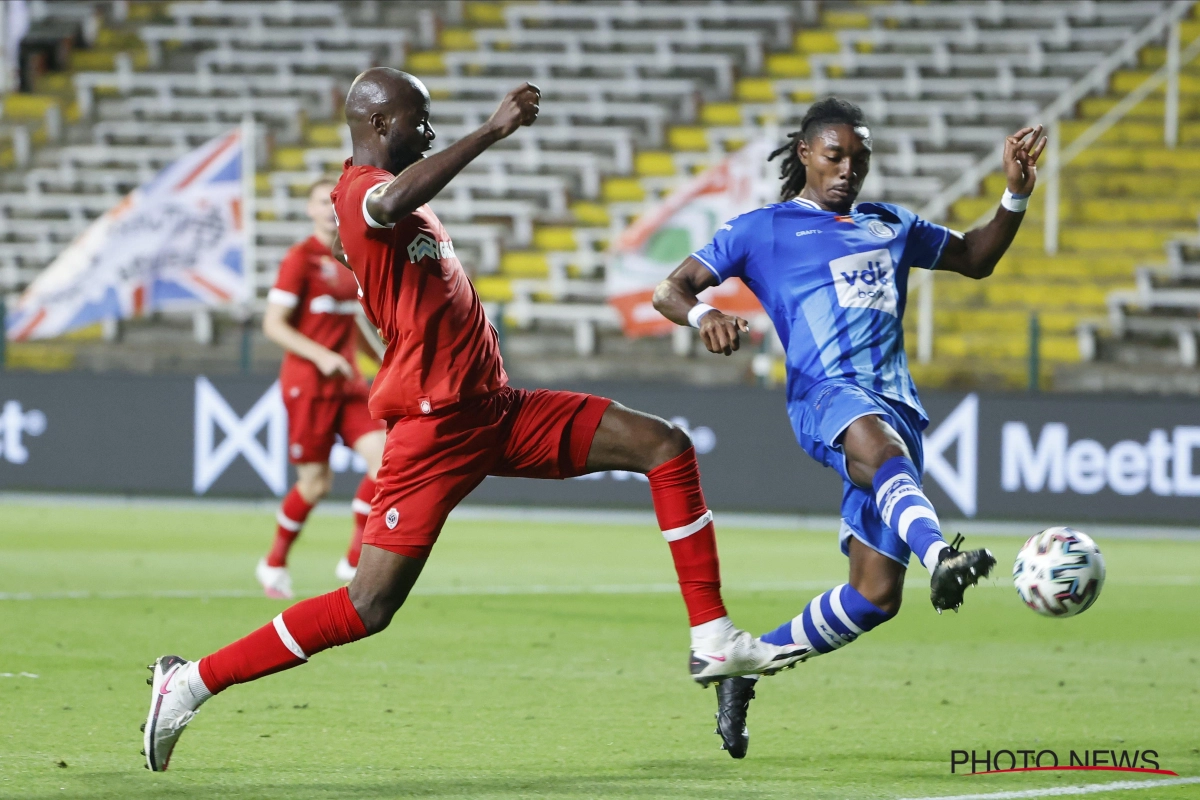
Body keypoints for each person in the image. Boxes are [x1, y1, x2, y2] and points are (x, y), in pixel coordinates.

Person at [140, 69, 810, 771]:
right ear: (375, 124)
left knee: (664, 445)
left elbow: (391, 232)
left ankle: (712, 636)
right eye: (416, 120)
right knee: (366, 607)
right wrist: (491, 130)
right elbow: (387, 201)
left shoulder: (390, 209)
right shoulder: (358, 191)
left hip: (496, 409)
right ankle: (188, 684)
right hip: (435, 430)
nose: (426, 130)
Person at [653, 97, 1046, 758]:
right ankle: (941, 556)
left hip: (897, 410)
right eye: (835, 155)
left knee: (874, 596)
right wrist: (702, 317)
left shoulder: (890, 224)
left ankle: (748, 665)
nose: (847, 170)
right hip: (826, 399)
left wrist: (1013, 194)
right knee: (878, 448)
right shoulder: (764, 229)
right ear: (805, 153)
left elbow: (975, 258)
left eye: (859, 159)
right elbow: (672, 288)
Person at [256, 178, 386, 598]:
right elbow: (273, 325)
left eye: (333, 202)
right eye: (320, 202)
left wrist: (384, 358)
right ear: (309, 210)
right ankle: (273, 563)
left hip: (348, 384)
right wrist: (321, 356)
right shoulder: (300, 259)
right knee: (316, 484)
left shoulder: (350, 259)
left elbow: (349, 319)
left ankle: (353, 561)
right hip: (308, 386)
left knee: (385, 462)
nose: (329, 209)